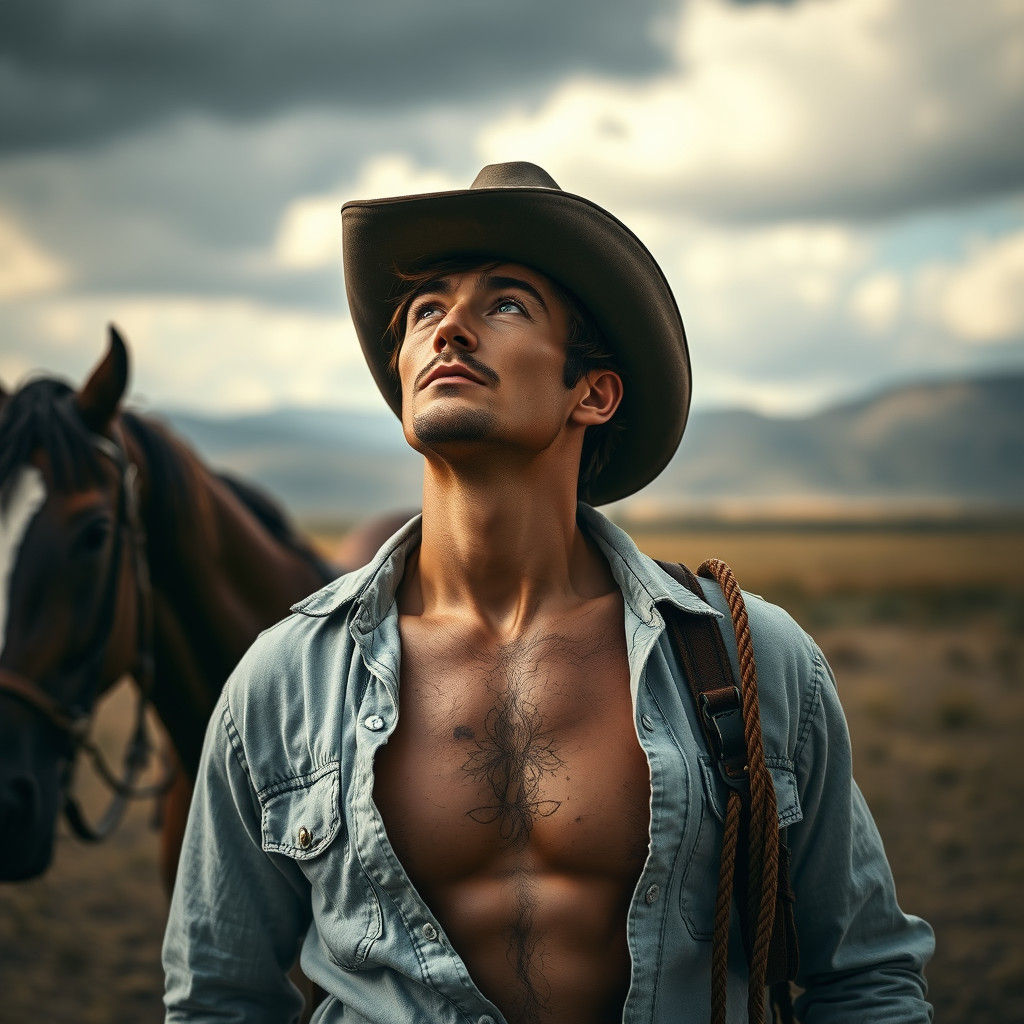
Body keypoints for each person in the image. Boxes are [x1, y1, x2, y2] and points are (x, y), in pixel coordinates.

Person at [162, 162, 934, 1024]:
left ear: (593, 392)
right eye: (426, 311)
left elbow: (863, 976)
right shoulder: (283, 683)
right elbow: (217, 997)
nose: (450, 327)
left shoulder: (750, 661)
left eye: (506, 304)